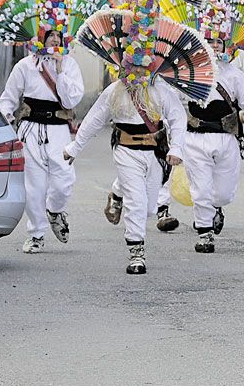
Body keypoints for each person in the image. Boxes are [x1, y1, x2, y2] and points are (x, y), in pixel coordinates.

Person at [64, 74, 189, 275]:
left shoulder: (161, 90)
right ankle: (136, 252)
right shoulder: (115, 90)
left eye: (144, 64)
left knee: (149, 208)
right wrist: (75, 147)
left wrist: (176, 149)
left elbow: (178, 118)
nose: (139, 69)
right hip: (125, 151)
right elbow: (94, 119)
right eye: (134, 63)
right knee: (137, 203)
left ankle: (117, 190)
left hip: (154, 153)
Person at [0, 30, 84, 253]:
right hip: (30, 130)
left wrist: (61, 71)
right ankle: (36, 233)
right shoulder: (25, 65)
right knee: (33, 185)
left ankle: (55, 210)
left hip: (59, 130)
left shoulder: (70, 65)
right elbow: (9, 97)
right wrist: (5, 121)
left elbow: (71, 98)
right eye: (50, 35)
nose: (55, 39)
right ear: (41, 37)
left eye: (59, 36)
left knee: (64, 179)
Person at [182, 36, 244, 254]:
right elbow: (174, 100)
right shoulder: (189, 72)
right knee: (200, 190)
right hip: (195, 138)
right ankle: (204, 233)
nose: (214, 45)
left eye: (219, 41)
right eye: (209, 41)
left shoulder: (235, 75)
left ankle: (215, 208)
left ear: (227, 46)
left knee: (223, 194)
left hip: (226, 137)